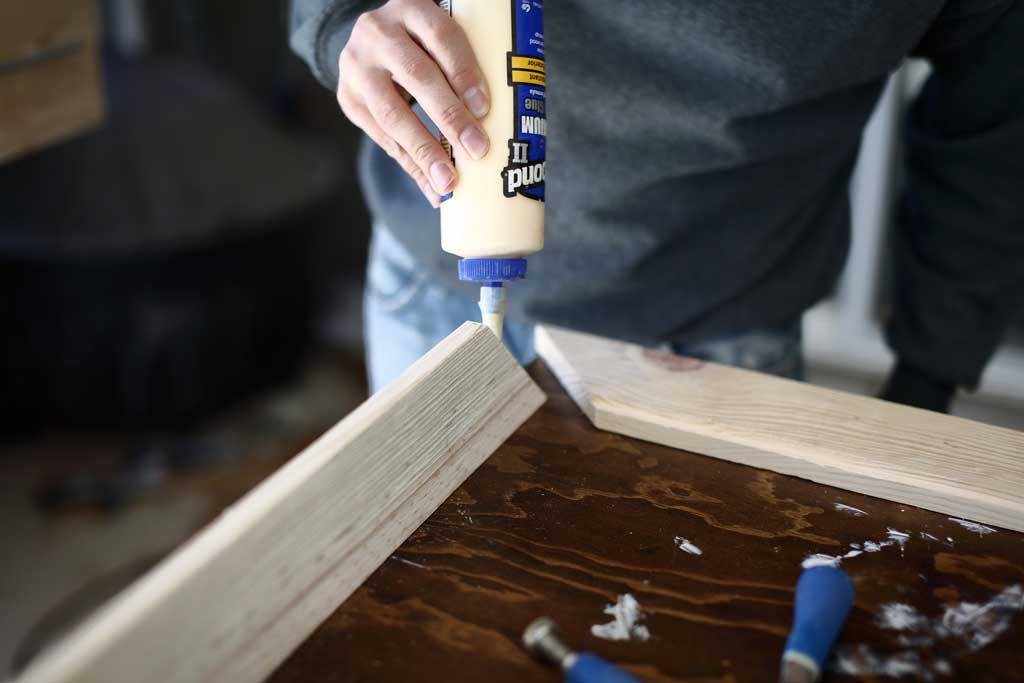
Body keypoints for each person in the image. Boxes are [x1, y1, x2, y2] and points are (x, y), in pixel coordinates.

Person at [291, 0, 1024, 410]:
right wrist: (336, 24)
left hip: (726, 326)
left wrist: (928, 374)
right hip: (435, 287)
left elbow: (995, 137)